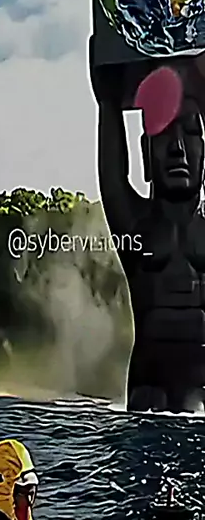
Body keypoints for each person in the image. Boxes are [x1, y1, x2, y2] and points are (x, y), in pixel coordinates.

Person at [91, 45, 205, 413]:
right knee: (148, 408)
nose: (178, 149)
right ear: (145, 152)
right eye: (164, 134)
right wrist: (108, 102)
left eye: (191, 134)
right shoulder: (138, 225)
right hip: (149, 387)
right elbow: (112, 178)